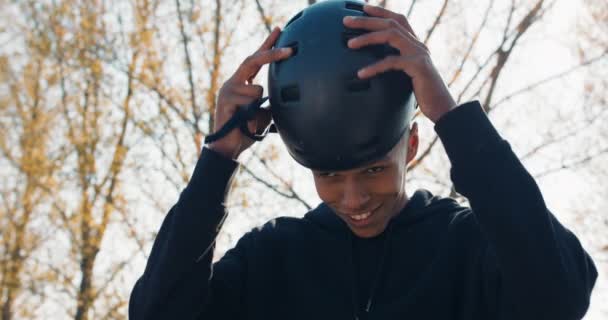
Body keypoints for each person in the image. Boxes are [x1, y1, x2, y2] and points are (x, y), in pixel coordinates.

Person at [129, 2, 597, 320]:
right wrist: (217, 160)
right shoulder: (272, 260)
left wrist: (452, 118)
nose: (353, 199)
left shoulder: (467, 247)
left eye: (373, 169)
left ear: (410, 146)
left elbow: (560, 294)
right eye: (329, 175)